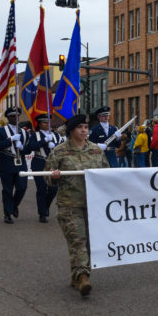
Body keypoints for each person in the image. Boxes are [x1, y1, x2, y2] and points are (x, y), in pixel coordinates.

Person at [46, 114, 108, 297]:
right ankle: (83, 277)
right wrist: (53, 176)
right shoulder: (59, 151)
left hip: (92, 205)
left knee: (88, 242)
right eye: (80, 127)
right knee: (77, 240)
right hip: (69, 205)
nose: (84, 130)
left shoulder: (97, 150)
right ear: (71, 130)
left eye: (86, 127)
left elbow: (107, 175)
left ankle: (76, 275)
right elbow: (47, 179)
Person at [0, 107, 30, 223]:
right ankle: (7, 213)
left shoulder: (24, 132)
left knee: (22, 187)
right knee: (7, 190)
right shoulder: (1, 131)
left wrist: (22, 147)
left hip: (20, 162)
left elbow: (29, 149)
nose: (16, 118)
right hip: (6, 161)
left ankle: (14, 205)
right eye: (13, 116)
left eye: (17, 116)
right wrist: (10, 140)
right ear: (8, 118)